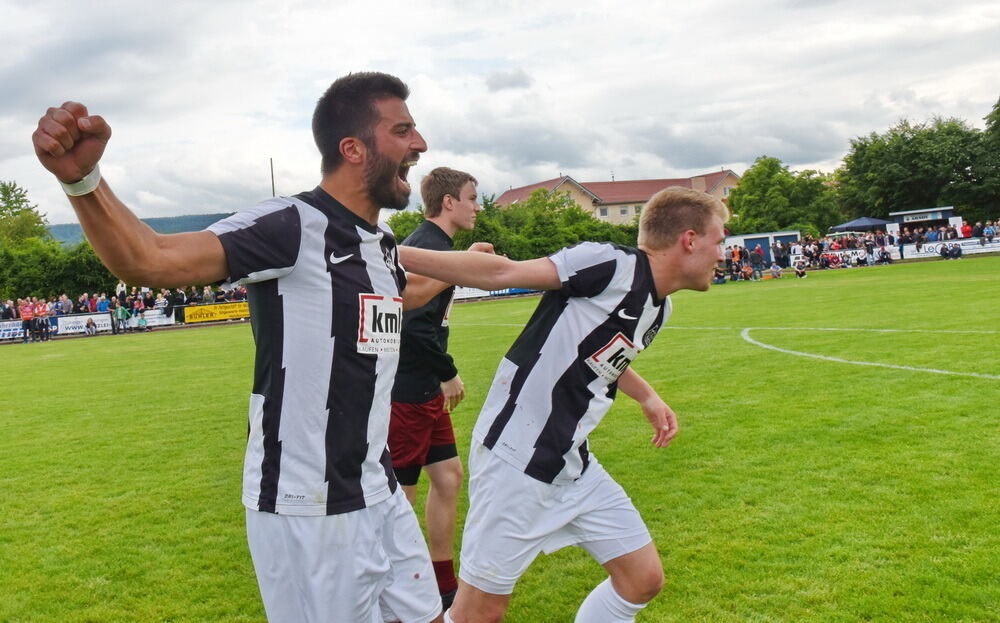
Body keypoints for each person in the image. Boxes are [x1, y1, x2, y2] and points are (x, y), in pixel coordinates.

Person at [33, 72, 452, 623]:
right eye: (403, 130)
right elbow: (151, 257)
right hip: (309, 505)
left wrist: (545, 273)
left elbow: (411, 290)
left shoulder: (381, 246)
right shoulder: (291, 224)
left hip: (380, 488)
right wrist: (85, 182)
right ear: (353, 149)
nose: (419, 143)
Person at [400, 186, 729, 623]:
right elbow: (502, 273)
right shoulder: (611, 264)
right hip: (517, 461)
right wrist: (388, 247)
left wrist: (647, 396)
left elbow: (596, 353)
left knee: (642, 578)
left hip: (572, 464)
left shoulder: (658, 308)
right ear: (689, 239)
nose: (723, 253)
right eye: (720, 240)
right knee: (477, 614)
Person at [390, 166, 482, 610]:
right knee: (400, 497)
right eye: (471, 198)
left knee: (448, 478)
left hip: (424, 388)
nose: (476, 207)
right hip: (407, 391)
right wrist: (447, 371)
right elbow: (407, 320)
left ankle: (443, 583)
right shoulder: (426, 248)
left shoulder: (439, 247)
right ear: (449, 203)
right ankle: (396, 592)